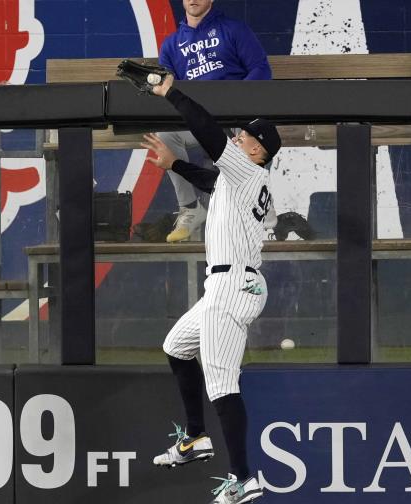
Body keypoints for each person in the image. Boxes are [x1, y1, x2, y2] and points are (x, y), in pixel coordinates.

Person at [142, 73, 279, 503]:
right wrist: (175, 165)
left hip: (231, 284)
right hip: (230, 283)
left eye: (244, 136)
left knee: (222, 383)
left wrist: (171, 93)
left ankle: (243, 478)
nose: (237, 138)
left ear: (257, 150)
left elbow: (207, 132)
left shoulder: (247, 170)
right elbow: (210, 183)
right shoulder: (245, 182)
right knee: (177, 346)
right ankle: (197, 438)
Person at [158, 0, 272, 243]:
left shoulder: (234, 29)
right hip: (199, 122)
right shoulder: (171, 45)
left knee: (252, 131)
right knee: (165, 135)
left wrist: (236, 104)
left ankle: (261, 210)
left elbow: (261, 69)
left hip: (234, 120)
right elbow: (169, 94)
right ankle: (190, 208)